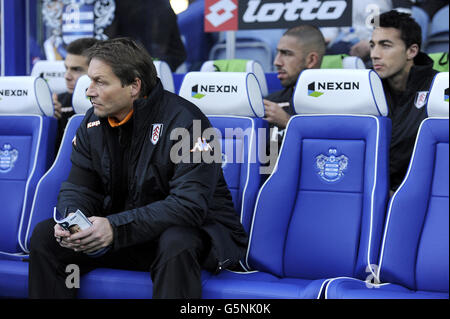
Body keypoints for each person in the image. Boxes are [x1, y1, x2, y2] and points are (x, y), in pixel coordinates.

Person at [28, 38, 248, 299]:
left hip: (192, 237)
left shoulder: (188, 121)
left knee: (176, 241)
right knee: (46, 236)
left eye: (100, 82)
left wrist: (115, 228)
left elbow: (189, 207)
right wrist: (74, 223)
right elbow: (78, 187)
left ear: (134, 85)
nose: (89, 91)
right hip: (125, 234)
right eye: (90, 80)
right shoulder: (91, 123)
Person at [369, 10, 438, 193]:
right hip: (373, 192)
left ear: (412, 51)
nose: (375, 54)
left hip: (425, 194)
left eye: (385, 45)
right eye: (372, 45)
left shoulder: (440, 88)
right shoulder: (365, 87)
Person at [263, 25, 326, 150]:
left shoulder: (331, 103)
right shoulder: (270, 103)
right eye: (278, 53)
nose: (277, 62)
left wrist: (287, 122)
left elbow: (328, 149)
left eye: (286, 54)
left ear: (311, 60)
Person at [105, 0, 187, 71]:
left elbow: (178, 53)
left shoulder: (162, 7)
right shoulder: (115, 6)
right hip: (127, 71)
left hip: (139, 73)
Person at [321, 0, 412, 62]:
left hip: (382, 41)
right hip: (344, 43)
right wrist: (322, 39)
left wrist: (373, 42)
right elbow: (331, 24)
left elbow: (402, 20)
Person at [53, 37, 99, 152]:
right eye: (66, 68)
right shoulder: (58, 103)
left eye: (76, 69)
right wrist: (52, 122)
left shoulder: (113, 106)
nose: (67, 76)